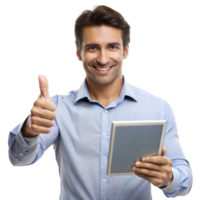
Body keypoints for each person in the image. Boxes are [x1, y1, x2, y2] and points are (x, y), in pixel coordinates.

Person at [7, 3, 194, 200]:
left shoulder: (159, 108)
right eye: (93, 48)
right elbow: (18, 159)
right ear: (78, 53)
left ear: (126, 51)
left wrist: (168, 178)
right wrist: (30, 129)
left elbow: (186, 182)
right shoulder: (56, 108)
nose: (103, 59)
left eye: (112, 47)